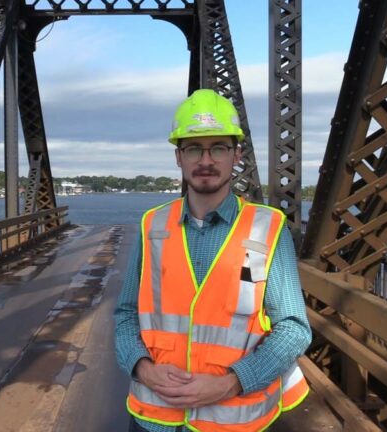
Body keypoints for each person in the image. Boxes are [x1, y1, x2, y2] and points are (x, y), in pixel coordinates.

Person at [114, 89, 312, 432]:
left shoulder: (265, 231)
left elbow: (293, 329)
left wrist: (230, 382)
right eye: (194, 148)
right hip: (155, 419)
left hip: (233, 420)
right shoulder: (153, 227)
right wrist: (143, 368)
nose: (206, 160)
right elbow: (125, 315)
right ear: (179, 157)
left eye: (218, 147)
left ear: (236, 155)